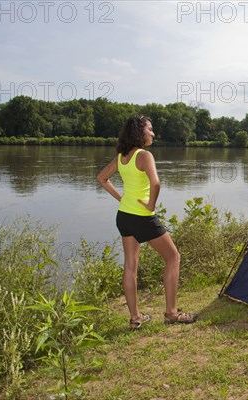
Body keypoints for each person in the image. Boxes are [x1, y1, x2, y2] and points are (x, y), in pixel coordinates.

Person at [97, 114, 196, 329]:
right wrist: (151, 205)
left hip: (124, 216)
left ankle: (135, 318)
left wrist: (122, 198)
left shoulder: (122, 157)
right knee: (173, 257)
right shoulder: (144, 156)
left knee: (130, 266)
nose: (153, 133)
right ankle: (171, 313)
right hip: (142, 216)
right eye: (149, 129)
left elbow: (101, 179)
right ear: (139, 132)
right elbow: (156, 183)